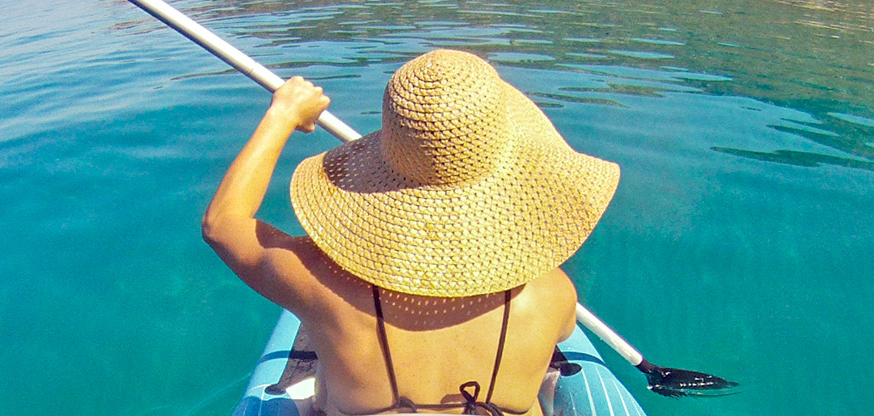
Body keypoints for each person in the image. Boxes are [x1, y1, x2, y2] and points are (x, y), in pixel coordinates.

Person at [203, 49, 620, 416]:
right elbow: (564, 333)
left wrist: (284, 114)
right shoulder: (551, 296)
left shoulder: (318, 282)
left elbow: (223, 226)